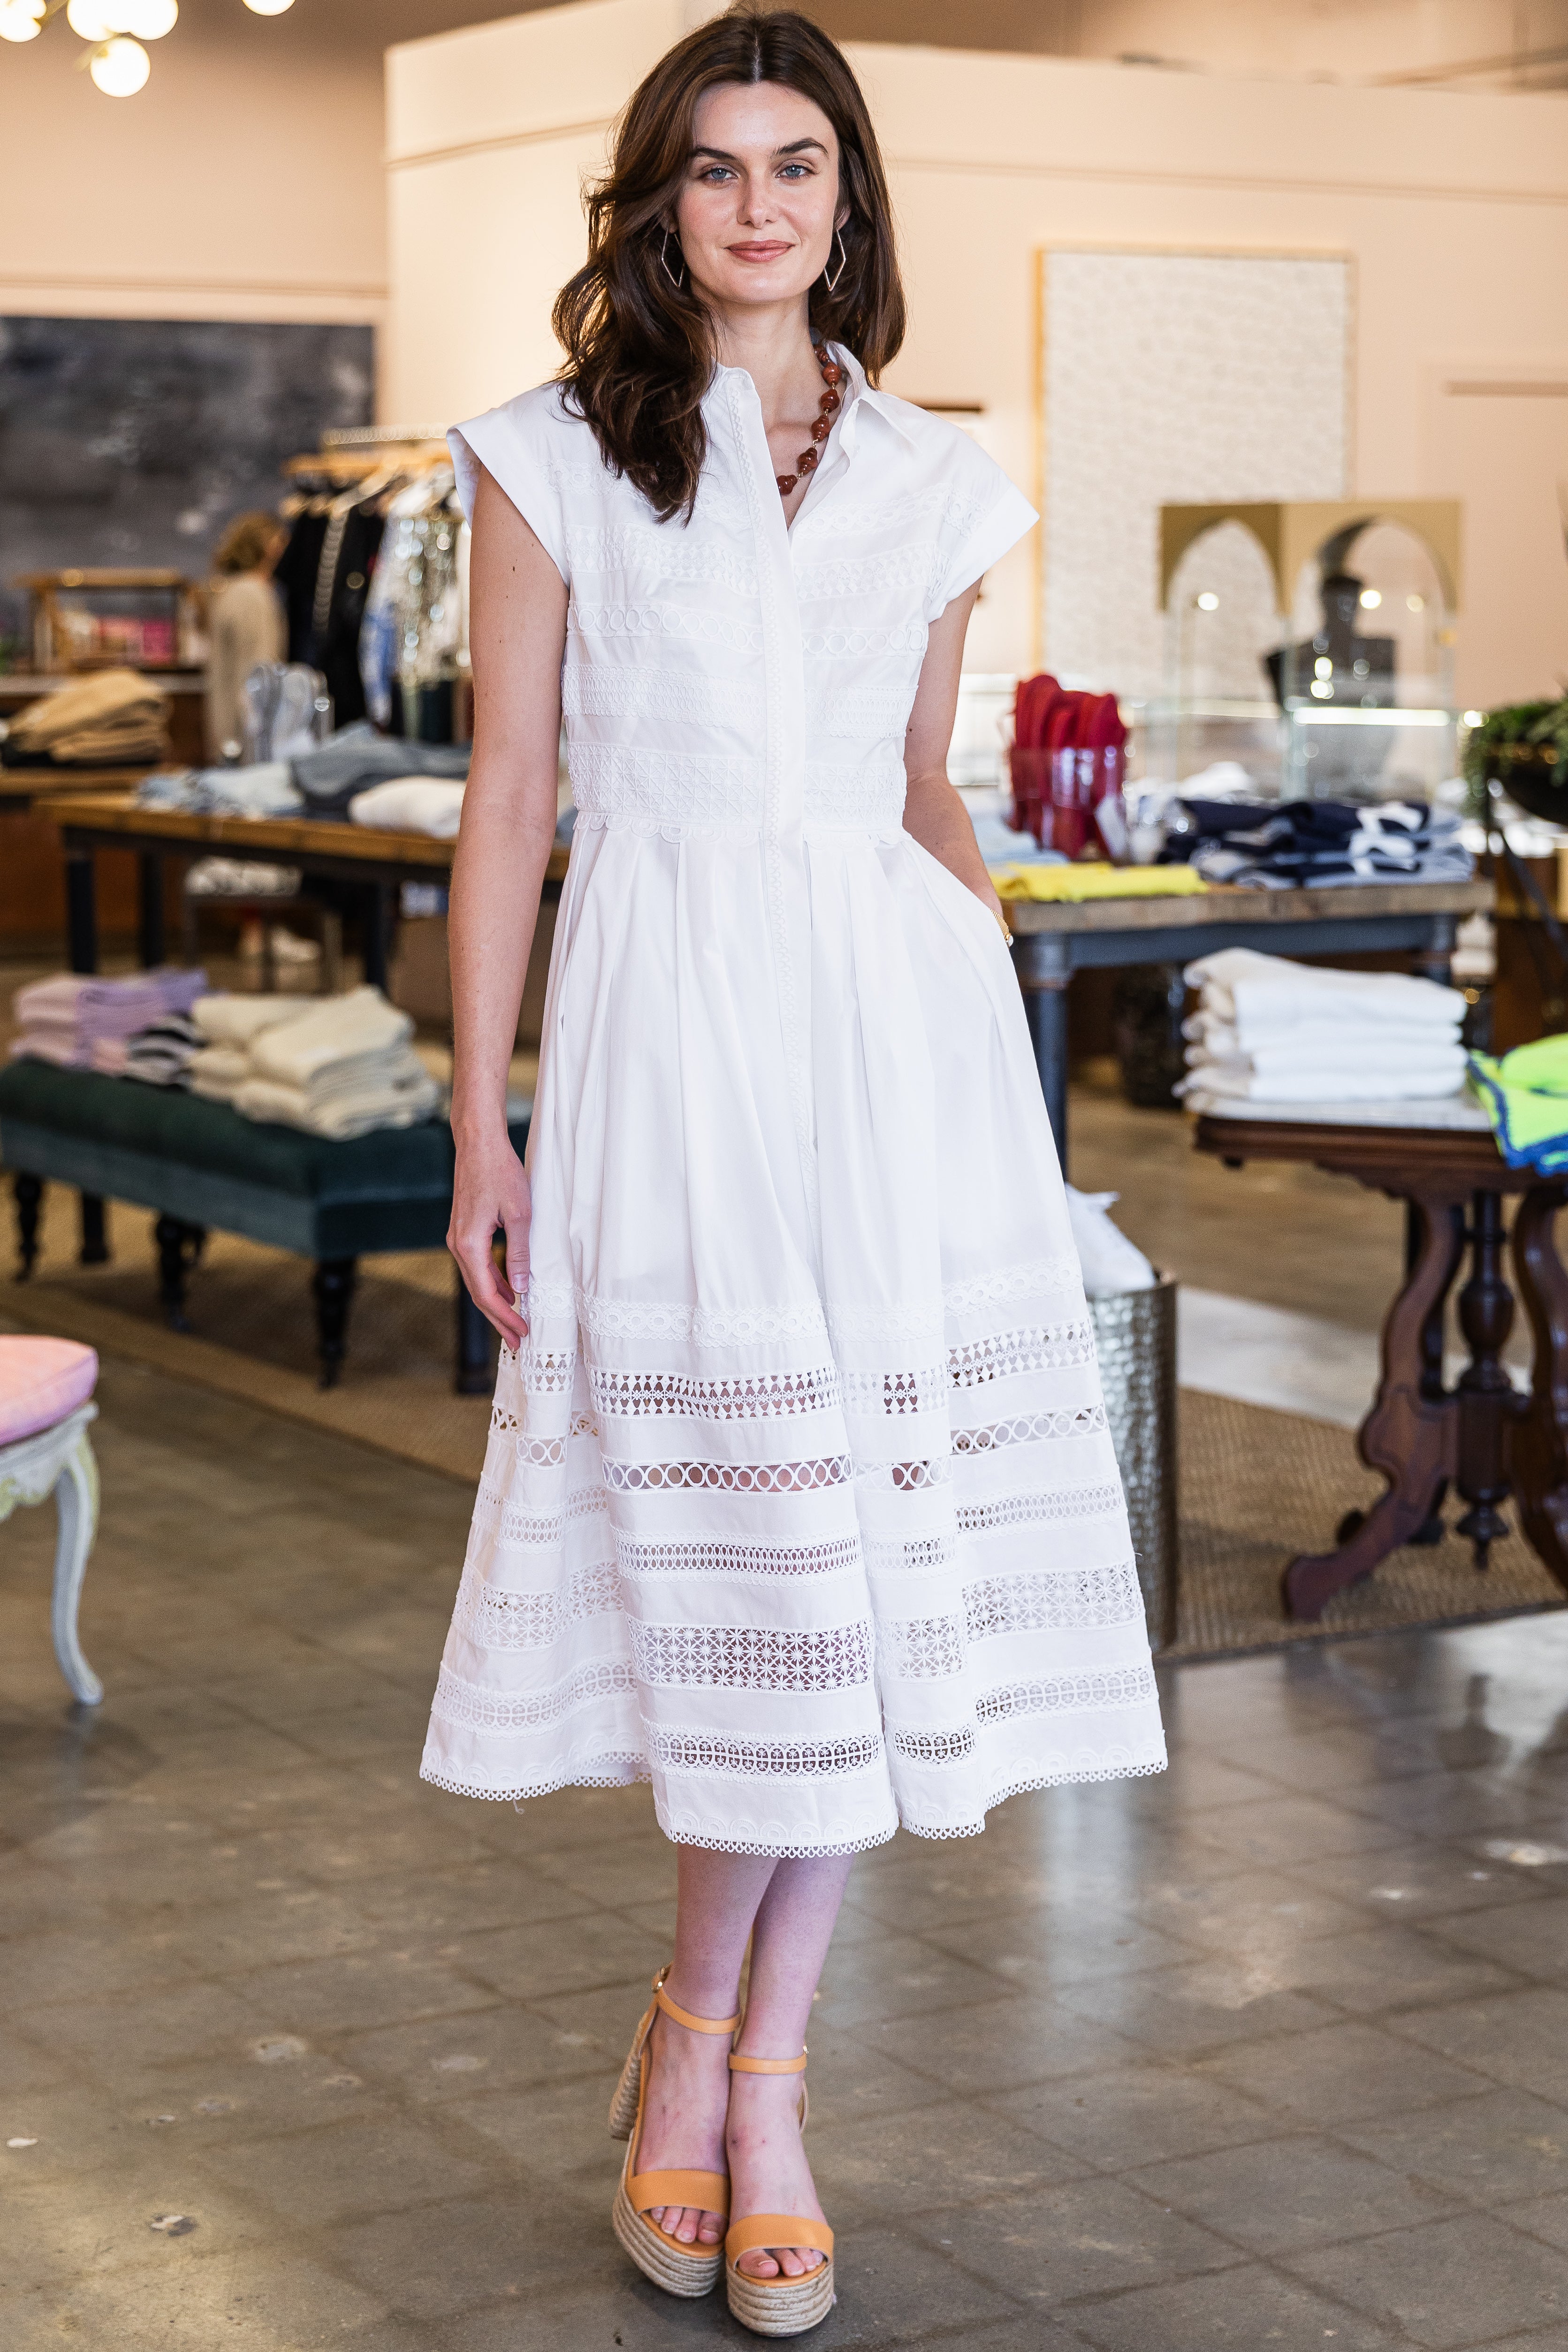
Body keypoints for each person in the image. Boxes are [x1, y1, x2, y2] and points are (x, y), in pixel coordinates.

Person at [424, 8, 1166, 2334]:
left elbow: (924, 786)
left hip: (897, 1046)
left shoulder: (940, 477)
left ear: (848, 200)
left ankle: (756, 2084)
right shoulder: (550, 454)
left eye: (799, 165)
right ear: (660, 202)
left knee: (865, 1559)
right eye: (717, 167)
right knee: (757, 1555)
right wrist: (480, 1114)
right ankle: (695, 2029)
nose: (758, 205)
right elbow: (512, 798)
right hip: (667, 1039)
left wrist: (992, 1029)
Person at [205, 510, 285, 760]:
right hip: (246, 734)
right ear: (269, 548)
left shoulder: (233, 590)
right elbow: (259, 671)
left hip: (230, 729)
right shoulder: (251, 594)